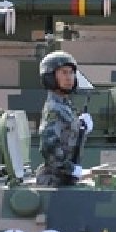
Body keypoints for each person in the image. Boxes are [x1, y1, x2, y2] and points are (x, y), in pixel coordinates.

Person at [35, 51, 93, 186]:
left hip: (64, 178)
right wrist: (72, 169)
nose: (69, 78)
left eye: (71, 73)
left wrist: (81, 127)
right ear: (50, 77)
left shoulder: (65, 105)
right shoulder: (54, 108)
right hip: (53, 181)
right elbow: (49, 147)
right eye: (64, 73)